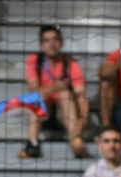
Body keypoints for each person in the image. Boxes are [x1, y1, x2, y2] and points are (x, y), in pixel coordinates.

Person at [20, 25, 89, 159]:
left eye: (55, 39)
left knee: (65, 94)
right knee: (38, 98)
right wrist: (56, 87)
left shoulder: (70, 64)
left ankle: (76, 141)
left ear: (61, 42)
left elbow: (81, 96)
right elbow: (33, 90)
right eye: (47, 40)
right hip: (41, 115)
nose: (51, 44)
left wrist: (83, 121)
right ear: (41, 44)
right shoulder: (34, 60)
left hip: (64, 114)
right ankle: (33, 143)